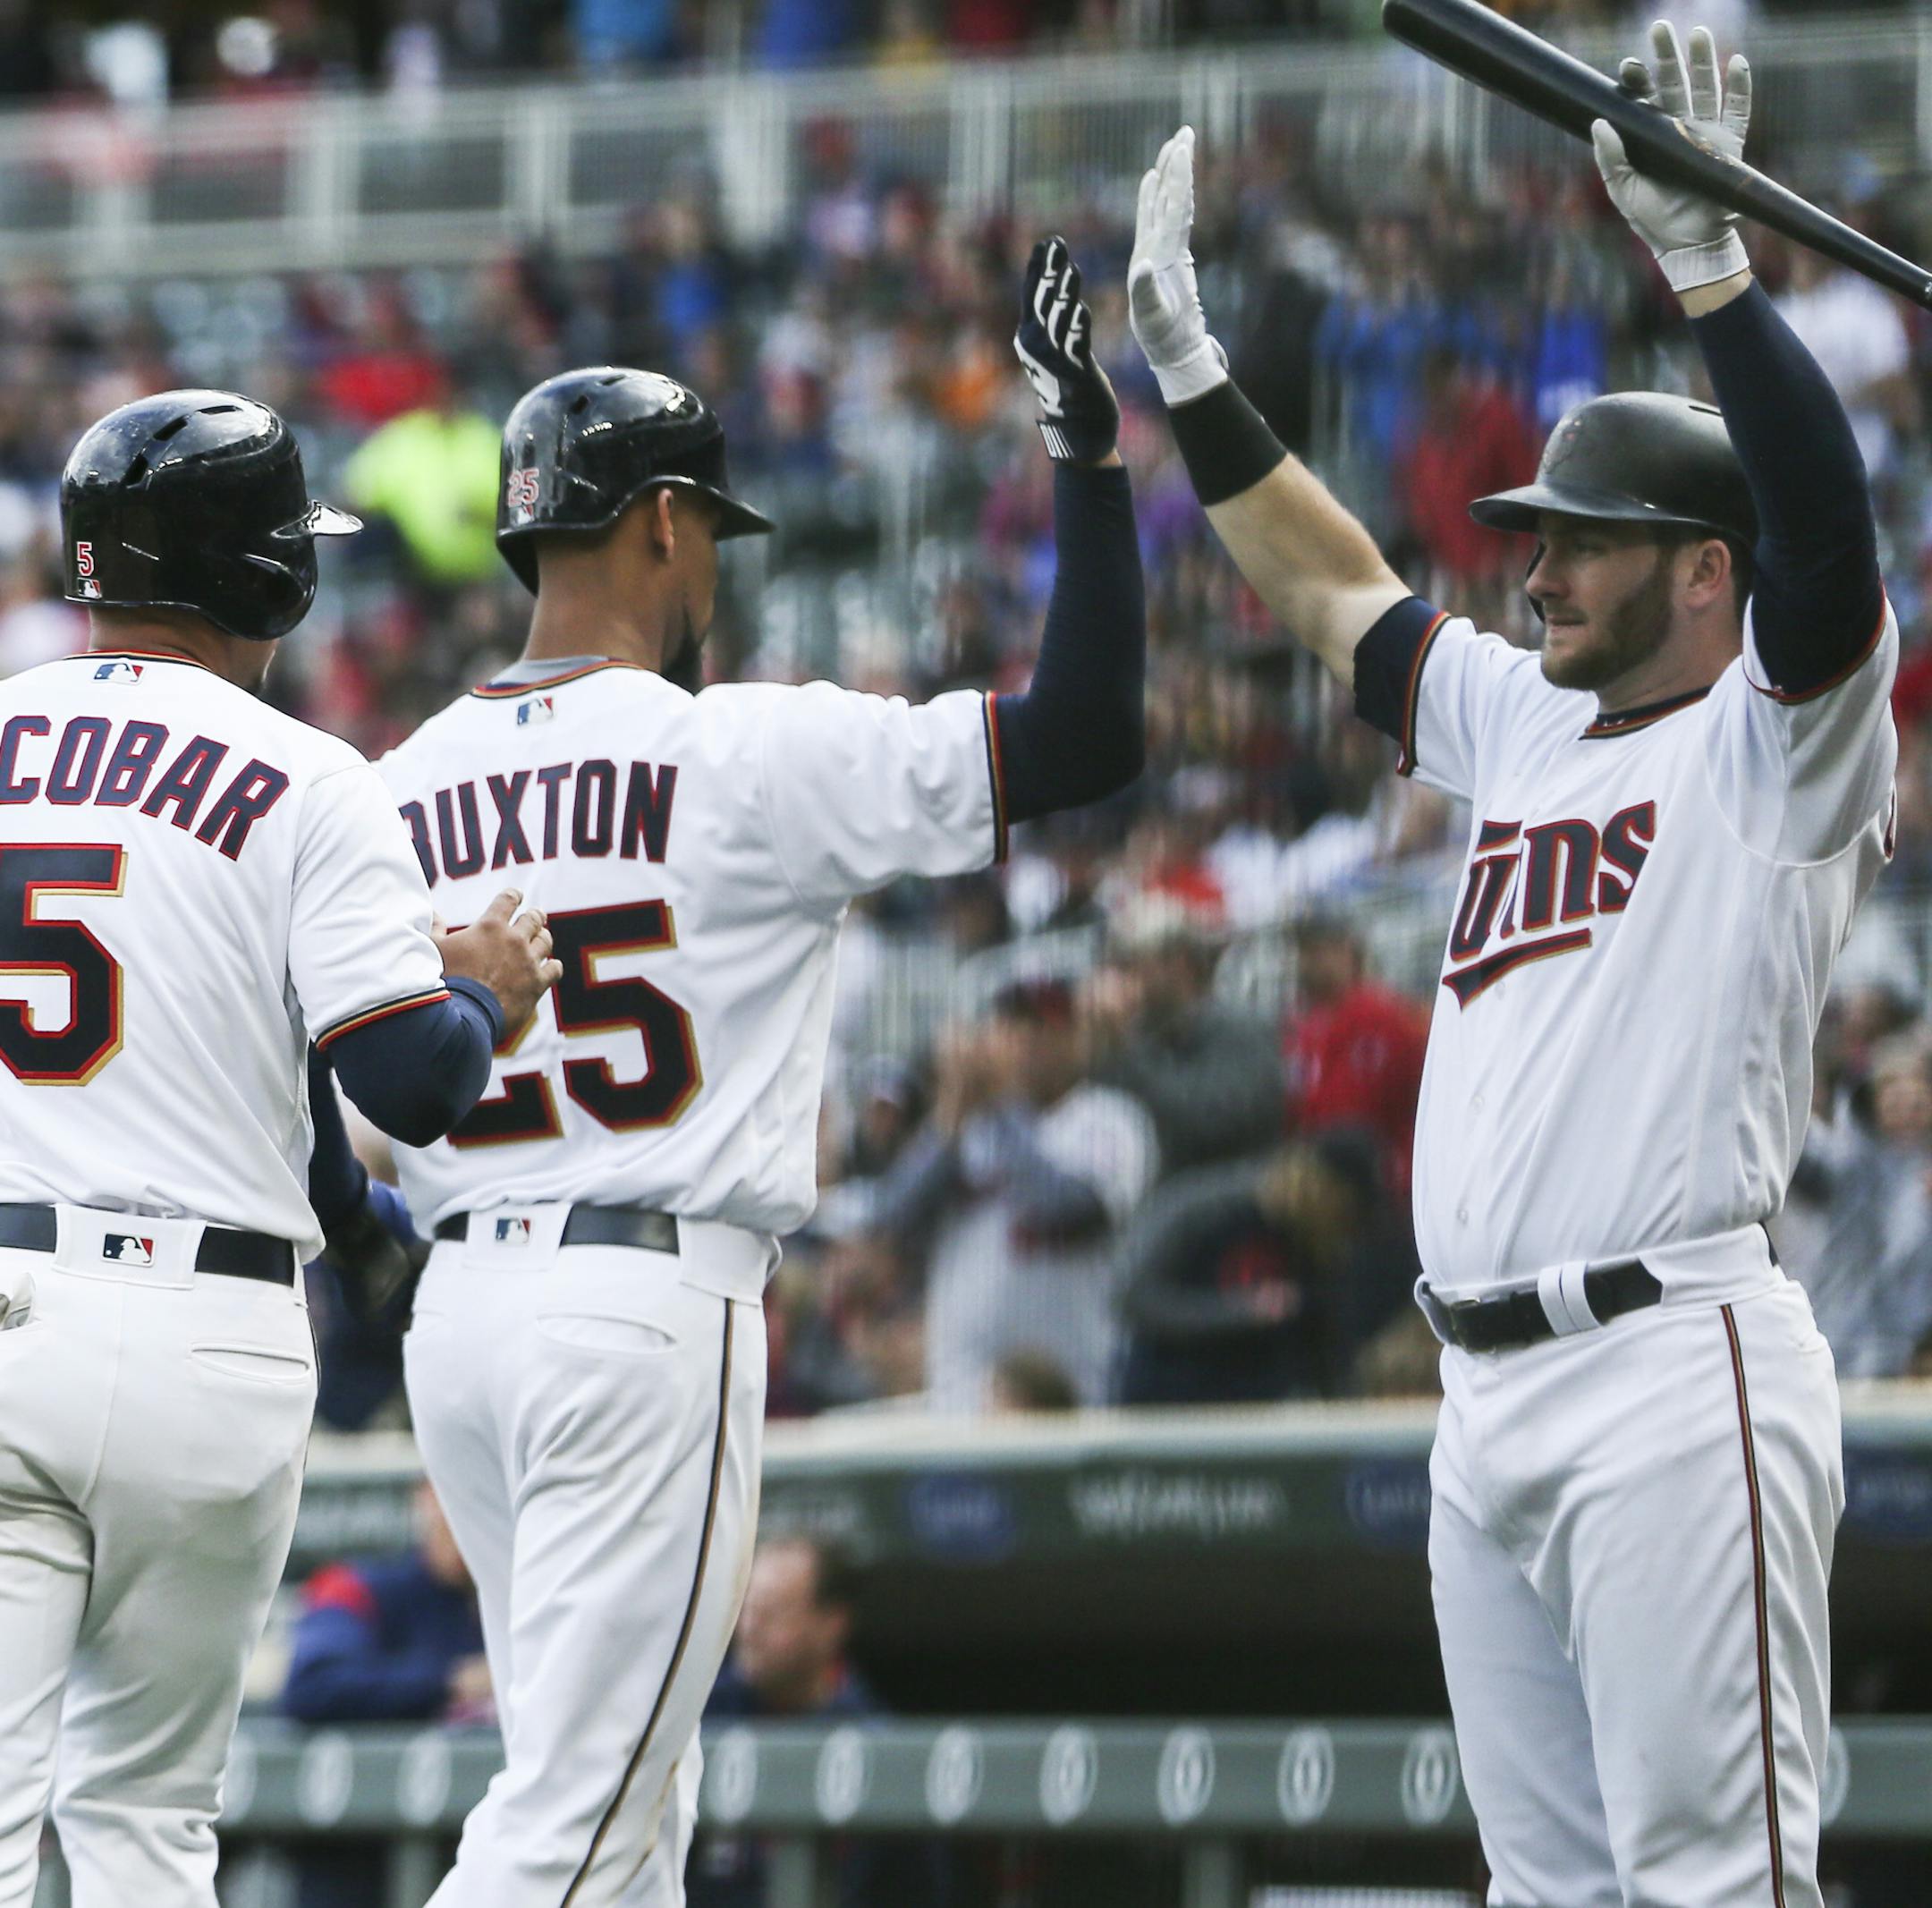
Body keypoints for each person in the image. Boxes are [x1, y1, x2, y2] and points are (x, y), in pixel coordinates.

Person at [1127, 22, 1888, 1904]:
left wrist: (1706, 275)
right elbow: (1330, 587)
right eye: (1534, 540)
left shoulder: (1774, 746)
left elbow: (1835, 547)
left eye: (1582, 545)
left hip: (1668, 1359)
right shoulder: (1522, 723)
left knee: (1723, 1882)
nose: (1535, 572)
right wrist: (1201, 378)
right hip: (1484, 1392)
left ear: (1701, 572)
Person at [377, 234, 1144, 1905]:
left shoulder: (397, 779)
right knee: (576, 1818)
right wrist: (1087, 457)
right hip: (643, 1308)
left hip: (465, 1319)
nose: (711, 564)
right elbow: (1087, 728)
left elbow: (352, 1095)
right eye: (706, 531)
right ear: (662, 520)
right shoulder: (742, 746)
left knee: (625, 1814)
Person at [0, 391, 557, 1908]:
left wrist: (352, 1197)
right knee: (145, 1825)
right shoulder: (311, 775)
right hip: (208, 1336)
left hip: (5, 1306)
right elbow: (412, 1071)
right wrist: (482, 995)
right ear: (270, 575)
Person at [874, 977, 1159, 1411]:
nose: (1023, 1042)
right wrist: (949, 1119)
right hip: (962, 1392)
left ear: (1078, 1039)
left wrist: (993, 1107)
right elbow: (891, 1223)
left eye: (1041, 1027)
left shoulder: (1112, 1121)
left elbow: (1063, 1210)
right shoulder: (964, 1124)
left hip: (1070, 1387)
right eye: (1009, 1026)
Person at [689, 1538, 951, 1908]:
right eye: (747, 1608)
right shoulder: (702, 1710)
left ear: (831, 1624)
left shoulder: (875, 1747)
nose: (749, 1629)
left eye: (773, 1614)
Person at [282, 1481, 492, 1908]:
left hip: (475, 1857)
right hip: (360, 1863)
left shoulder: (516, 1605)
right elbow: (313, 1685)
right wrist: (452, 1682)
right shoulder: (363, 1585)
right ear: (427, 1500)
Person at [1282, 913, 1428, 1198]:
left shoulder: (1387, 1015)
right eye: (1303, 952)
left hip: (1387, 1183)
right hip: (1324, 1186)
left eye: (1319, 951)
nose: (1308, 963)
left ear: (1350, 952)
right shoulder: (1301, 1028)